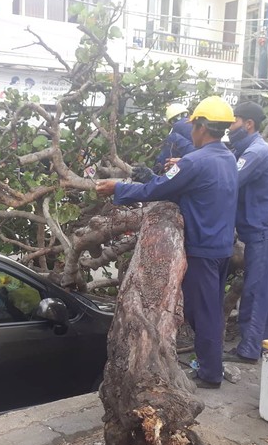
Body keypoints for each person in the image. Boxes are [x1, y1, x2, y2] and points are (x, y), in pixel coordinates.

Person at [96, 95, 238, 389]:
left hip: (202, 248)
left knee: (204, 313)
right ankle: (211, 364)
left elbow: (156, 189)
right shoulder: (227, 158)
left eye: (193, 127)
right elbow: (193, 190)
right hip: (222, 245)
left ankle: (211, 373)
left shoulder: (195, 161)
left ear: (201, 126)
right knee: (211, 307)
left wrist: (118, 187)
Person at [224, 101, 268, 365]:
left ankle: (249, 350)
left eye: (233, 121)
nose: (229, 127)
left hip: (265, 231)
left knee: (257, 290)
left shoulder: (256, 153)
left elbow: (228, 183)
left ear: (248, 124)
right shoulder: (248, 149)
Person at [153, 103, 195, 174]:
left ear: (171, 121)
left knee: (172, 138)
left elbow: (169, 149)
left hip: (193, 156)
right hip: (200, 157)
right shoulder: (194, 123)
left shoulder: (177, 125)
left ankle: (156, 170)